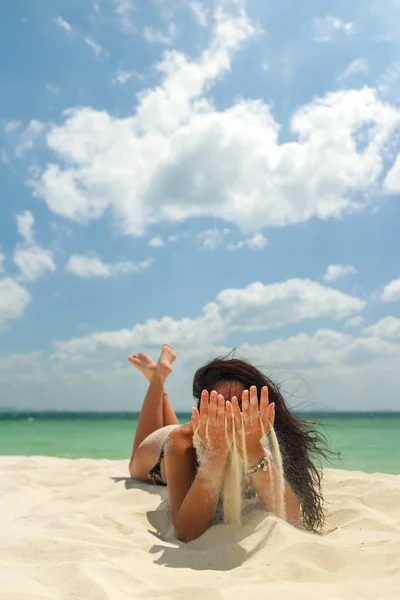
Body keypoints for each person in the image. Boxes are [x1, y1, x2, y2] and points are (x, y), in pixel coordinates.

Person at [128, 344, 326, 543]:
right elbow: (187, 532)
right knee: (134, 466)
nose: (231, 414)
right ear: (203, 410)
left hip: (190, 433)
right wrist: (215, 453)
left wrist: (254, 450)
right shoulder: (181, 442)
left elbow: (291, 517)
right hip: (159, 451)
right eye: (220, 404)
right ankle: (156, 380)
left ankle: (159, 377)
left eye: (242, 404)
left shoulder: (260, 431)